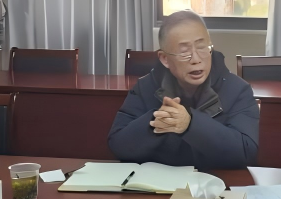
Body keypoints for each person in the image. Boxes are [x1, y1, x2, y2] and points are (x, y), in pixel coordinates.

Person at [108, 10, 259, 169]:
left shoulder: (237, 90)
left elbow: (246, 153)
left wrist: (191, 124)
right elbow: (117, 145)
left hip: (214, 180)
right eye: (184, 52)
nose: (196, 59)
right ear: (165, 59)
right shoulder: (146, 87)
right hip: (159, 182)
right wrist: (154, 122)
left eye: (202, 47)